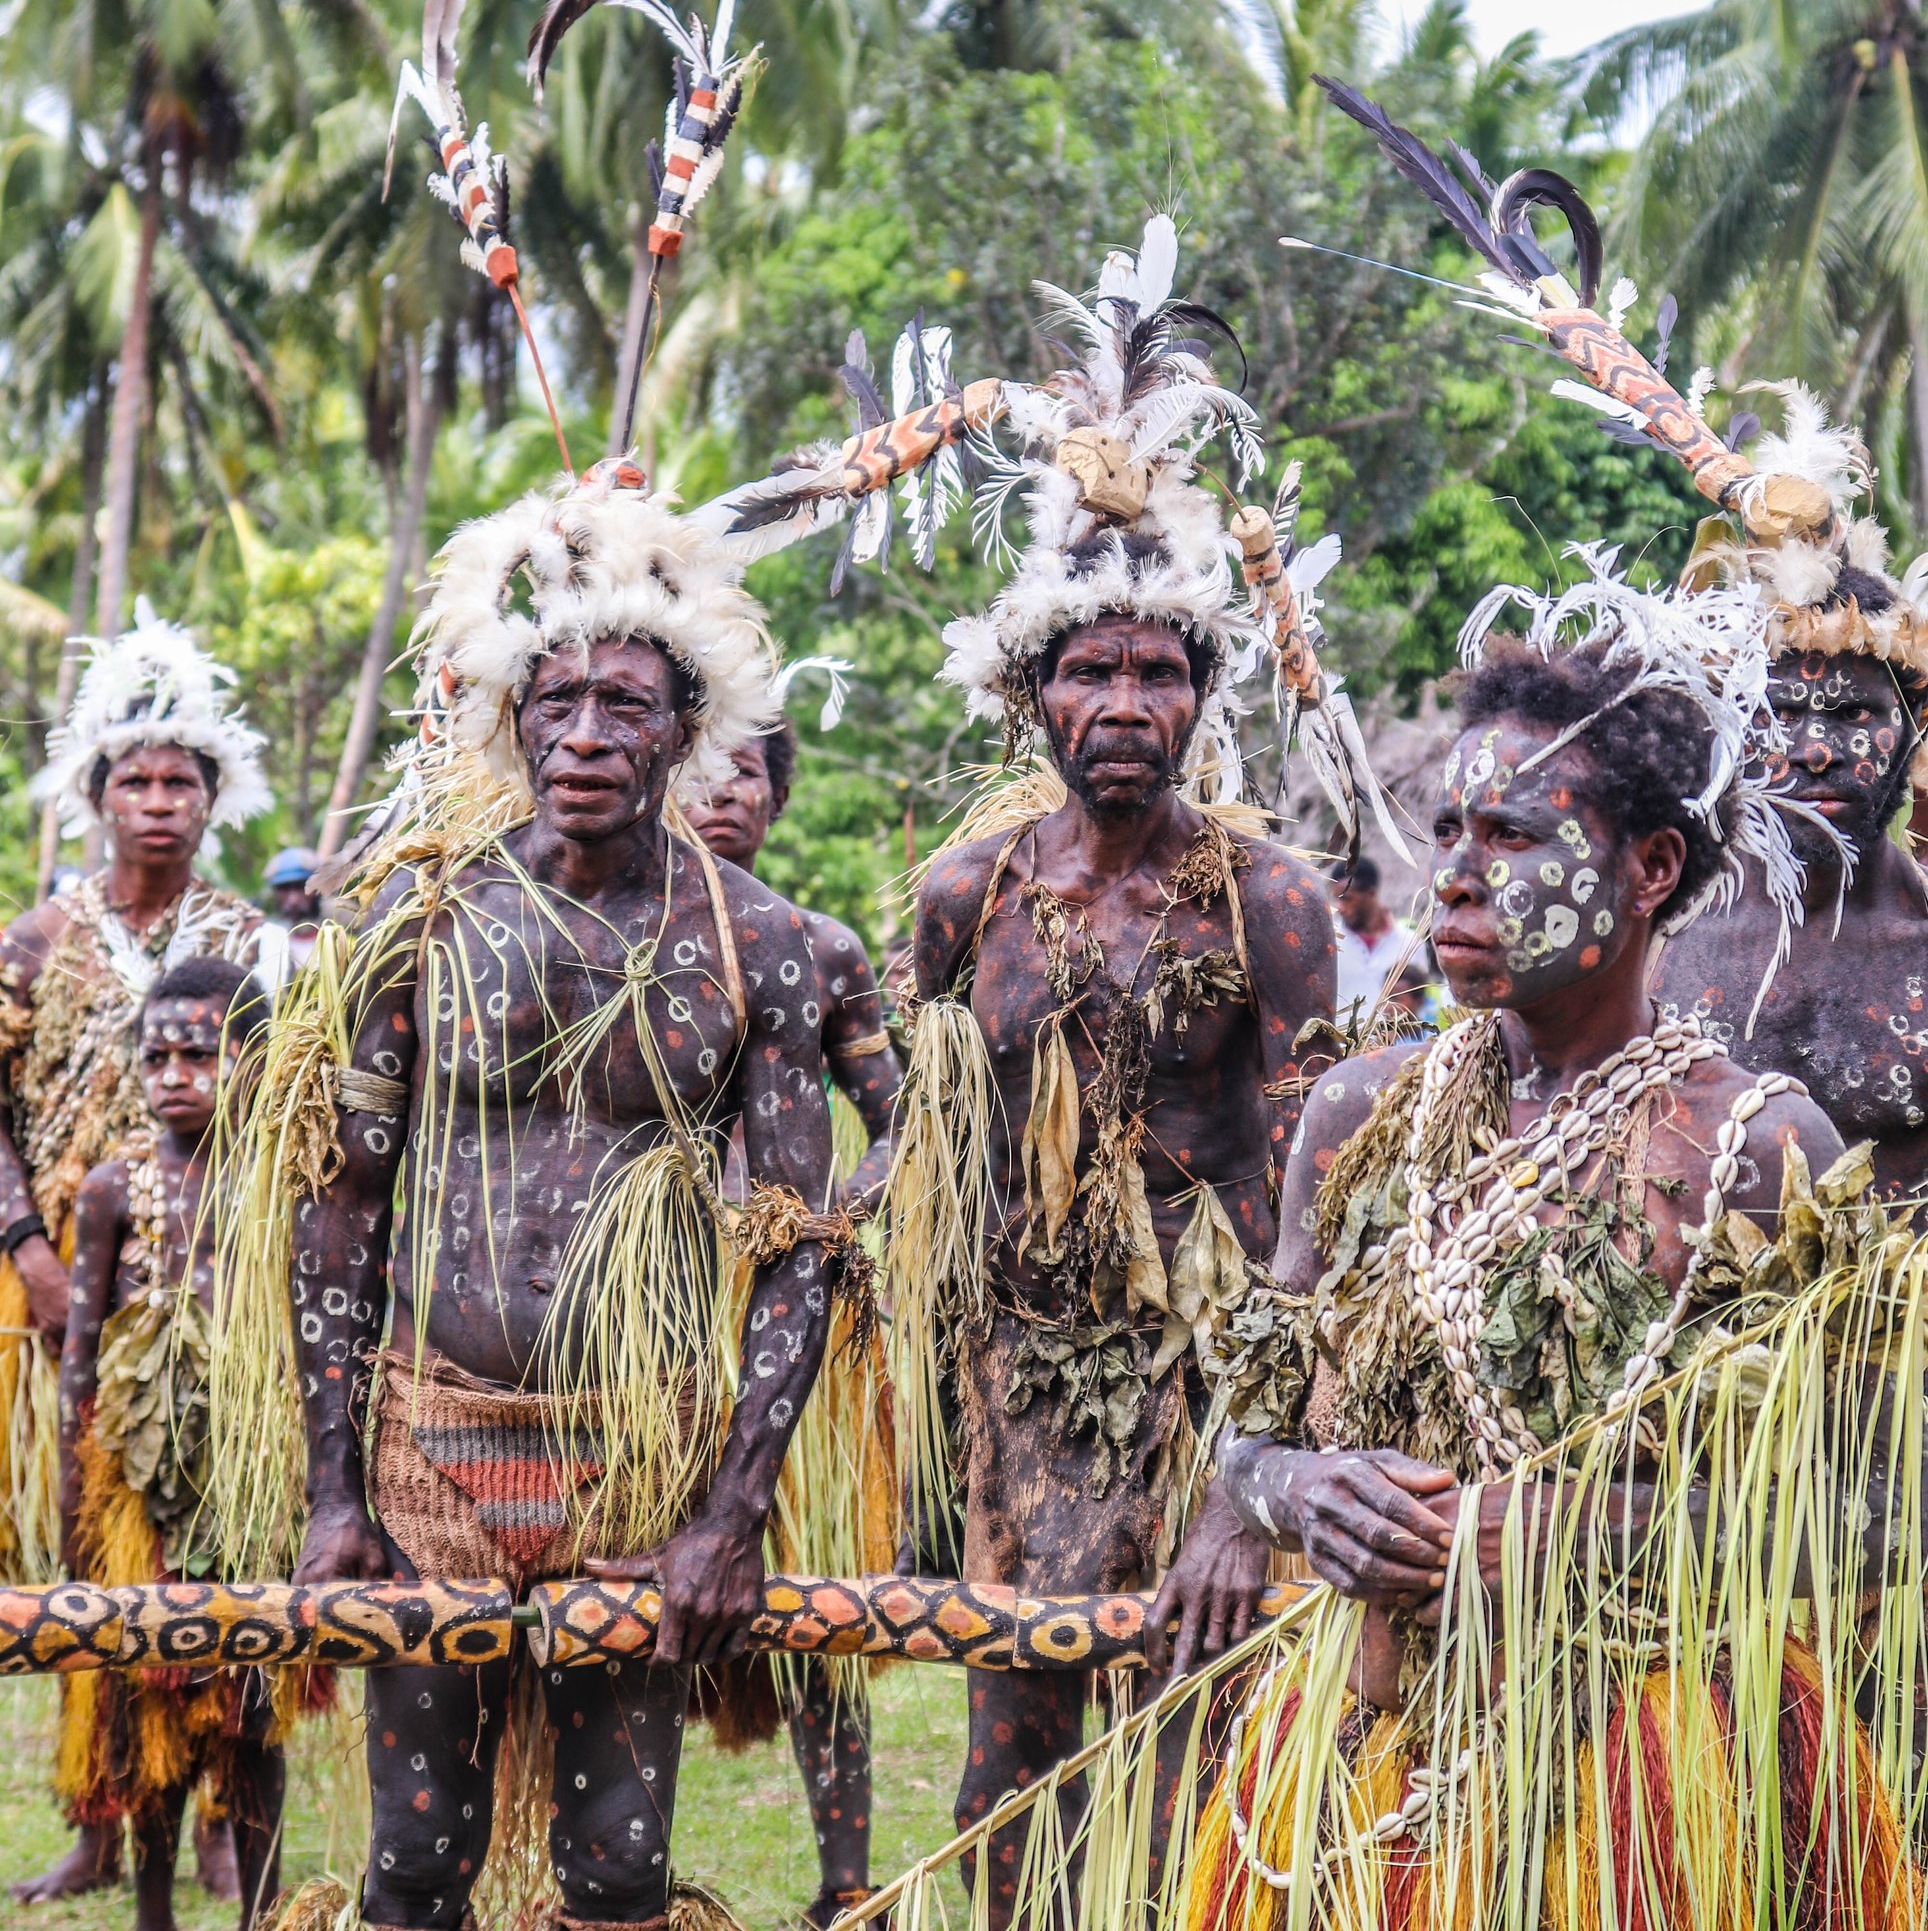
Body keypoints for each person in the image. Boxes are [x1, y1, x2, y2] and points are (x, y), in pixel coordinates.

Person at [1134, 545, 1928, 1929]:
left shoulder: (1758, 1150)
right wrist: (1297, 1498)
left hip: (1651, 1781)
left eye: (1512, 839)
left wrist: (1564, 1530)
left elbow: (1858, 1519)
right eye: (1450, 833)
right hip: (1367, 1761)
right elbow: (1246, 1427)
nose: (1453, 878)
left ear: (1650, 867)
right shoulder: (1357, 1112)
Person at [249, 459, 849, 1931]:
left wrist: (729, 1513)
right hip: (431, 1446)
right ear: (511, 722)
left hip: (633, 1461)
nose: (585, 737)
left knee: (618, 1861)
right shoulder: (425, 915)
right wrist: (336, 1491)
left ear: (685, 733)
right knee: (412, 1860)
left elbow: (801, 1247)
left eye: (625, 708)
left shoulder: (756, 946)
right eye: (556, 706)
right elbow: (342, 1204)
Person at [888, 220, 1340, 1928]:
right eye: (1091, 666)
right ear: (1035, 695)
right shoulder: (964, 895)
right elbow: (926, 1132)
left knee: (1195, 1707)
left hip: (1207, 1343)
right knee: (1014, 1723)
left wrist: (1279, 1388)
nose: (1126, 696)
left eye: (1158, 668)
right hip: (1022, 1354)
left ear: (1204, 691)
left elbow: (1309, 1155)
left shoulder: (1267, 894)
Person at [0, 604, 269, 1909]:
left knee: (219, 1548)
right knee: (90, 1552)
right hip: (61, 1281)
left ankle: (220, 1809)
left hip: (219, 1289)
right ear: (95, 796)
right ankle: (102, 1819)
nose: (157, 802)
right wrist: (27, 1252)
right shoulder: (39, 937)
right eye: (134, 781)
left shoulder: (245, 945)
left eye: (180, 782)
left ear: (213, 800)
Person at [684, 714, 905, 1928]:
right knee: (640, 1606)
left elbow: (903, 1117)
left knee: (815, 1612)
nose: (724, 790)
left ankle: (846, 1878)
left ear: (777, 795)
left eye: (750, 772)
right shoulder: (615, 940)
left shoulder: (817, 948)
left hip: (791, 1320)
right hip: (652, 1321)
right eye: (705, 765)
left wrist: (826, 1216)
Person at [58, 958, 320, 1931]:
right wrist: (70, 1512)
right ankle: (153, 1912)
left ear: (248, 1059)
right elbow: (79, 1363)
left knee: (254, 1704)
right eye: (156, 1054)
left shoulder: (289, 1179)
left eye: (199, 1052)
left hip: (254, 1484)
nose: (175, 1072)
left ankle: (262, 1910)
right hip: (135, 1496)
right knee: (148, 1706)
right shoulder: (109, 1189)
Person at [1648, 399, 1928, 1199]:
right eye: (1778, 715)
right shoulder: (1655, 939)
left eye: (1853, 714)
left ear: (1909, 736)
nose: (1814, 749)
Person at [1330, 856, 1410, 1022]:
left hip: (1395, 1047)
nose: (1340, 907)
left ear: (1370, 894)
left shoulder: (1409, 943)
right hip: (1339, 1047)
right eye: (1336, 899)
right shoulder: (1330, 941)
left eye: (1346, 898)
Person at [253, 846, 323, 988]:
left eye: (301, 887)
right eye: (285, 888)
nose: (293, 900)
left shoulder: (342, 925)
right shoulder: (267, 936)